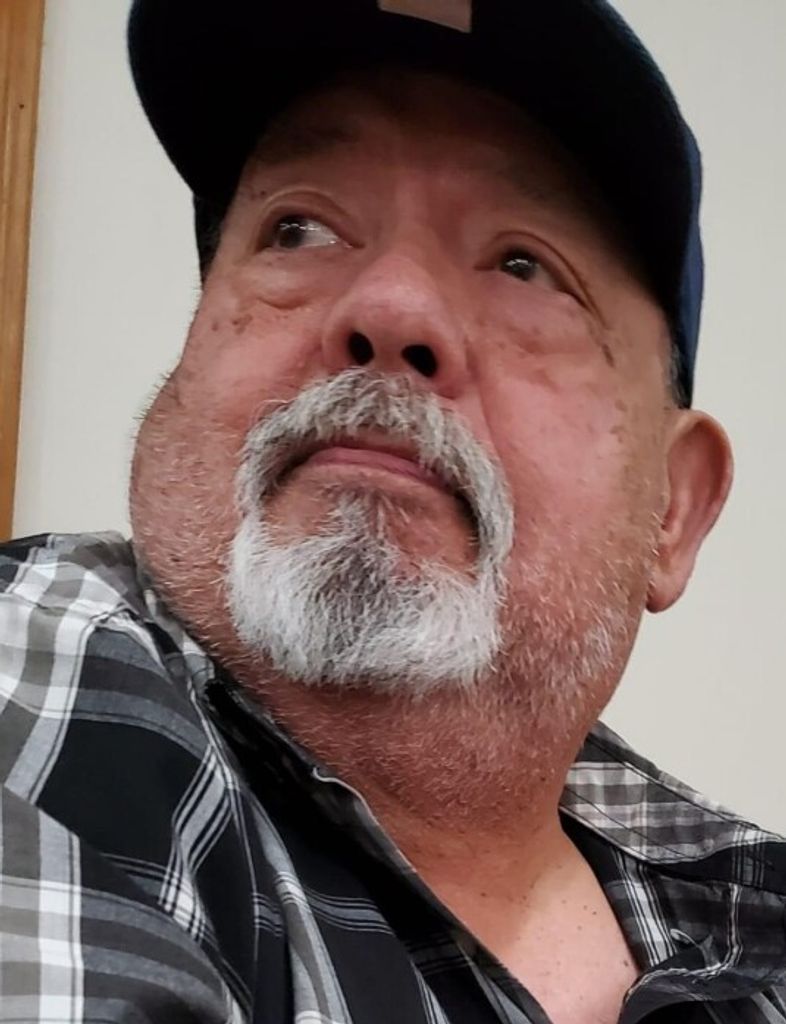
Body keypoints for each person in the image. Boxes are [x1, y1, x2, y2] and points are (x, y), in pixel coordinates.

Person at [1, 0, 784, 1021]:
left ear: (673, 509)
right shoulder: (42, 687)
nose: (389, 306)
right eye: (300, 228)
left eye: (523, 264)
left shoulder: (747, 909)